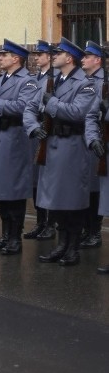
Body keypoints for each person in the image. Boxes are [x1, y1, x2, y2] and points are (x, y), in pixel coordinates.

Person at [25, 38, 97, 266]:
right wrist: (34, 127)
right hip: (52, 145)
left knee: (71, 199)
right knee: (55, 200)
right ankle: (61, 243)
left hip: (72, 146)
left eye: (58, 53)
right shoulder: (51, 82)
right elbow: (29, 107)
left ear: (69, 58)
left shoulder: (85, 83)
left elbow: (78, 113)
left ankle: (73, 247)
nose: (53, 55)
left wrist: (52, 103)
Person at [0, 40, 37, 254]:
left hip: (15, 139)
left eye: (5, 55)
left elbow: (23, 107)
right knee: (1, 190)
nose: (0, 58)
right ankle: (4, 235)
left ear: (16, 58)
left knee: (14, 190)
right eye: (0, 55)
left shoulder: (27, 81)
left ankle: (15, 238)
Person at [24, 40, 56, 240]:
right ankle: (40, 221)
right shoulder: (35, 78)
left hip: (47, 130)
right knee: (36, 181)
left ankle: (51, 223)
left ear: (50, 57)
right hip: (35, 132)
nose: (36, 57)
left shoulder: (53, 79)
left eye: (40, 54)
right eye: (36, 54)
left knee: (48, 181)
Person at [81, 41, 105, 250]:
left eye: (87, 56)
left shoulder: (102, 81)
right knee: (84, 186)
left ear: (98, 60)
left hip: (97, 139)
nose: (83, 59)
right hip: (83, 137)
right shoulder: (84, 80)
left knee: (94, 186)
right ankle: (85, 228)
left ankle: (94, 231)